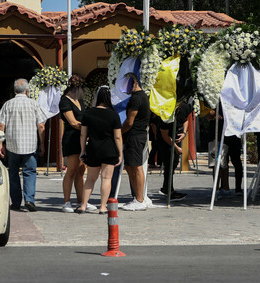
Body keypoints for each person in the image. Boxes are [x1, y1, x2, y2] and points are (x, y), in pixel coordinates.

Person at [0, 78, 46, 212]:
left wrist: (0, 144)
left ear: (14, 91)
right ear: (27, 91)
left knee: (13, 174)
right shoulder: (34, 104)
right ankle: (29, 200)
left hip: (12, 145)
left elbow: (1, 125)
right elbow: (41, 126)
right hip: (30, 145)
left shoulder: (8, 104)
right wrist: (42, 144)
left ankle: (16, 202)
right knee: (29, 172)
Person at [76, 86, 123, 214]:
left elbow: (83, 134)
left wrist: (82, 150)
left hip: (93, 149)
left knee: (90, 179)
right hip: (109, 150)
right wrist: (120, 153)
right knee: (106, 179)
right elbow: (117, 137)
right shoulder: (113, 115)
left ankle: (83, 205)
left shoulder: (88, 113)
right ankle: (103, 207)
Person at [60, 75, 94, 212]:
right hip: (71, 139)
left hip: (82, 139)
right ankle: (67, 202)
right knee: (71, 170)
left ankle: (82, 201)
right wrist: (88, 127)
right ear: (77, 88)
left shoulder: (79, 100)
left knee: (81, 171)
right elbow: (73, 122)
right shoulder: (65, 101)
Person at [120, 73, 150, 211]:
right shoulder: (142, 96)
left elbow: (130, 121)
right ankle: (137, 197)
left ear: (135, 83)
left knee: (136, 167)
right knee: (130, 166)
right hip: (138, 135)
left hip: (135, 135)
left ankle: (139, 199)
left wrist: (119, 132)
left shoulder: (137, 98)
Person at [157, 100, 193, 200]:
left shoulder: (185, 107)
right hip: (165, 138)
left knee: (174, 162)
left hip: (177, 134)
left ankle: (166, 188)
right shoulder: (166, 112)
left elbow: (186, 120)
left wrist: (184, 132)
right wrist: (176, 148)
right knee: (169, 162)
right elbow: (164, 134)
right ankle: (169, 190)